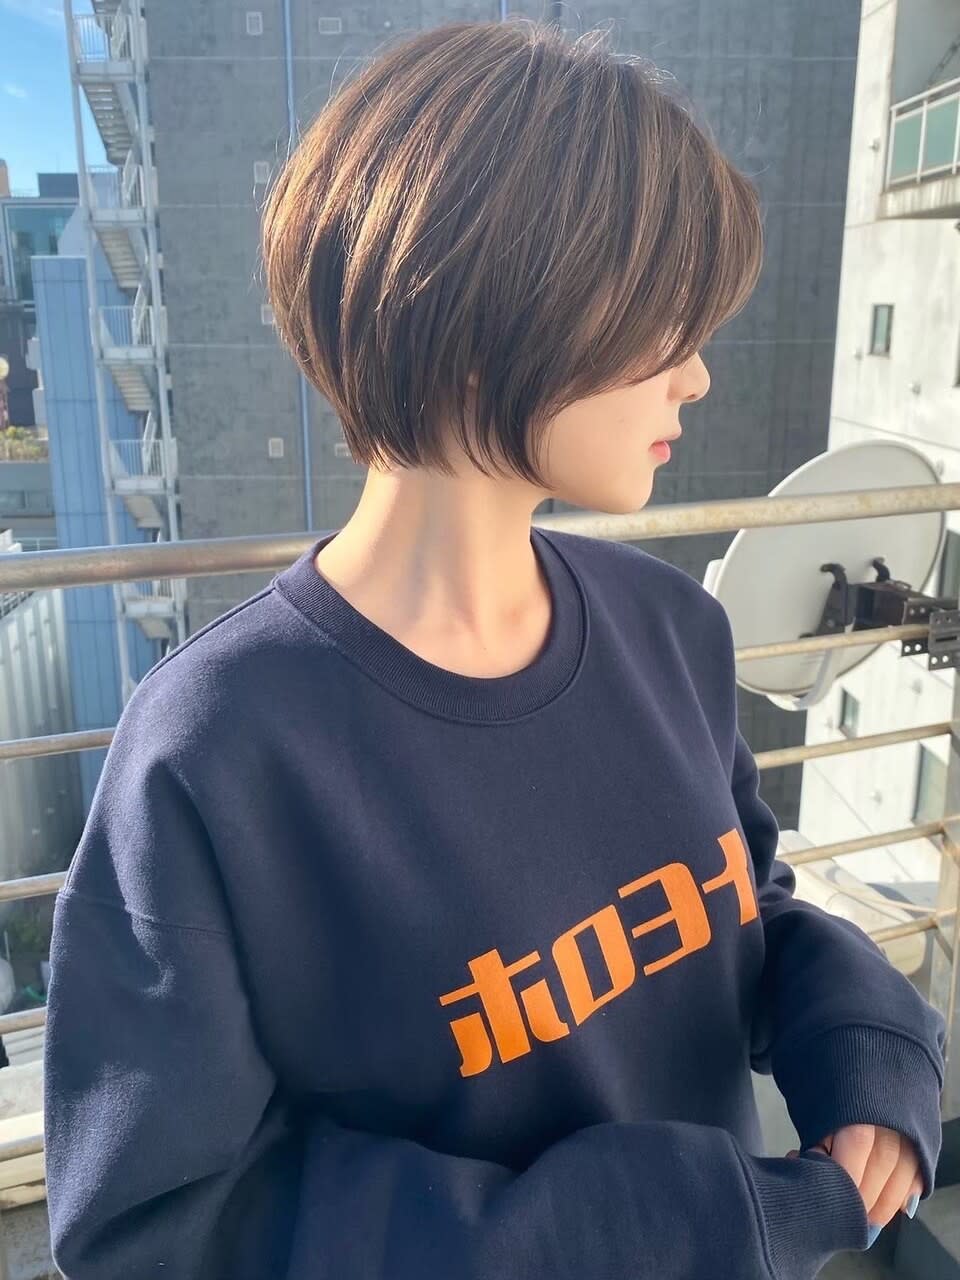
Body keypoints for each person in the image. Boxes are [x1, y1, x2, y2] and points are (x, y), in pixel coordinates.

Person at [42, 19, 945, 1280]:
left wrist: (864, 1044)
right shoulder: (219, 748)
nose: (696, 376)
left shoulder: (671, 626)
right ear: (494, 316)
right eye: (663, 322)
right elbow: (159, 1228)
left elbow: (740, 909)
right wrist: (662, 1223)